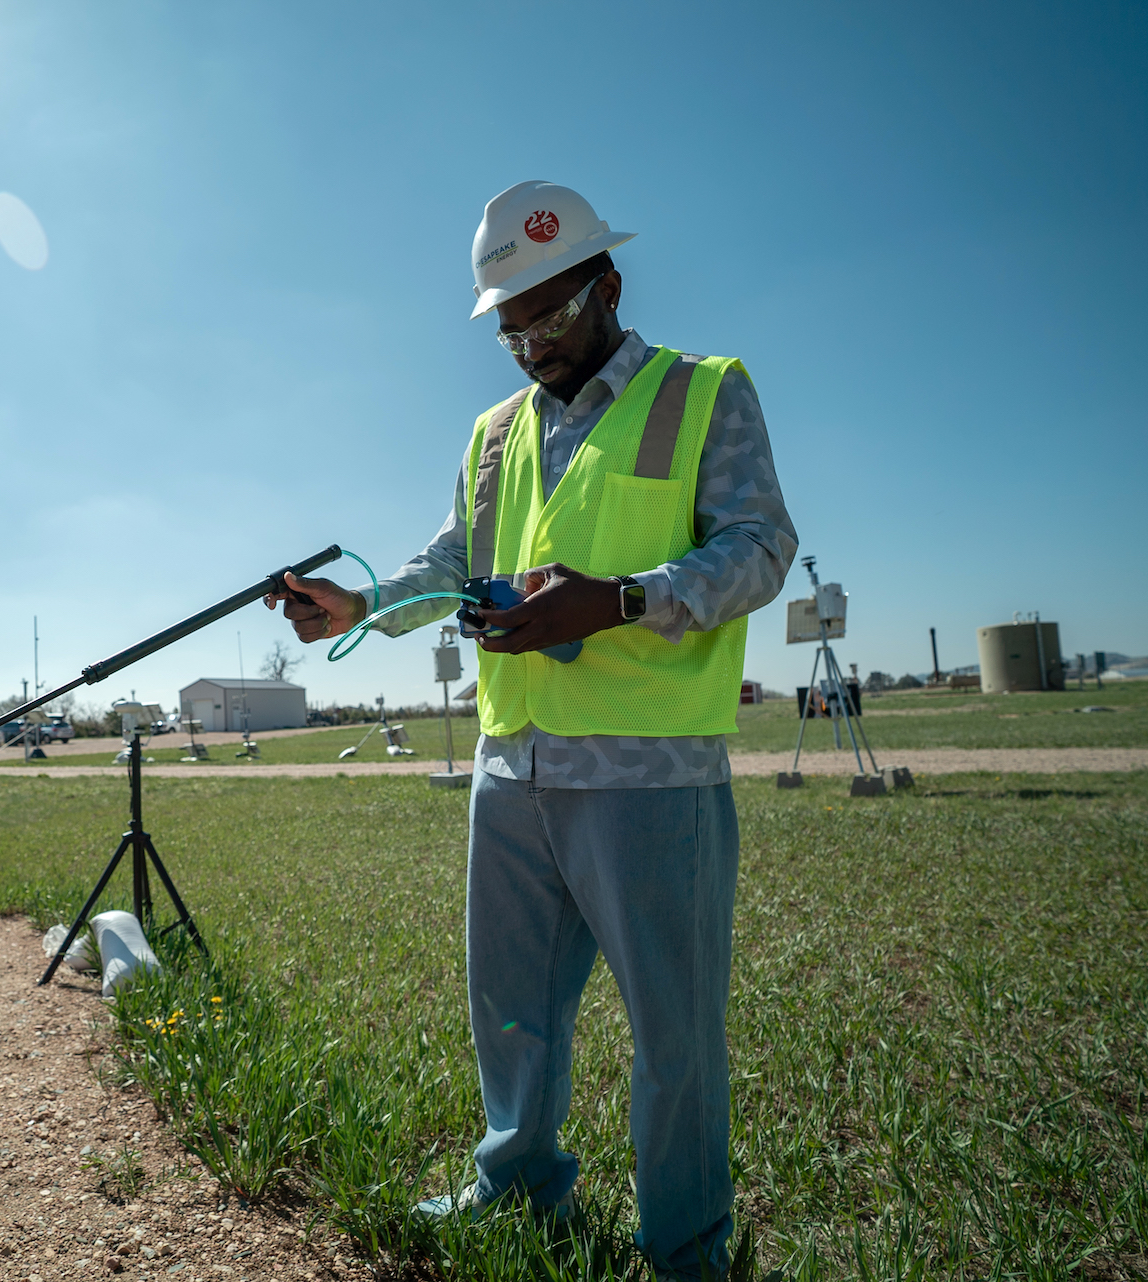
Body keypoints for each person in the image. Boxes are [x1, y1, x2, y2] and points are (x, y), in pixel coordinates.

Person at [267, 180, 797, 1278]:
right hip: (511, 773)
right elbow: (454, 560)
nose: (529, 345)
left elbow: (758, 546)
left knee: (675, 1038)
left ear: (607, 284)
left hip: (651, 775)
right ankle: (520, 1186)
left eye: (547, 317)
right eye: (508, 328)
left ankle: (686, 1246)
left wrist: (615, 598)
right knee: (511, 1012)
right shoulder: (495, 433)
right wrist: (361, 607)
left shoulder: (702, 392)